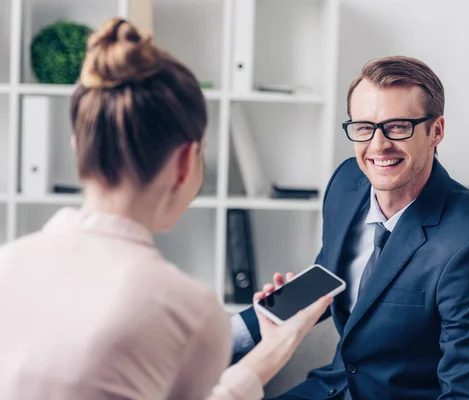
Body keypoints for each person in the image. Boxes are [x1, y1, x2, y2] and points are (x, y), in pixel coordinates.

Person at [0, 17, 332, 400]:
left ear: (78, 146)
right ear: (186, 162)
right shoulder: (187, 310)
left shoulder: (7, 264)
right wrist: (277, 345)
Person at [231, 56, 469, 399]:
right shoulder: (347, 183)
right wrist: (226, 338)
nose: (378, 146)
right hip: (331, 388)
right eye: (364, 127)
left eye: (397, 126)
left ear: (435, 131)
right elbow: (328, 275)